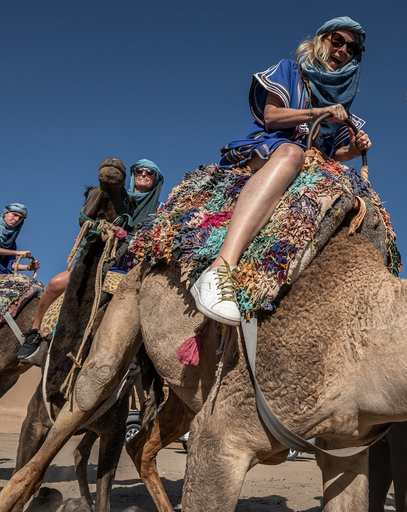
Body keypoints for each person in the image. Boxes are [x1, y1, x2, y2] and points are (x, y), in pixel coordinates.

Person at [191, 16, 372, 326]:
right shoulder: (290, 71)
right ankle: (220, 269)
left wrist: (354, 149)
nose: (343, 51)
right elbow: (272, 116)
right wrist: (317, 112)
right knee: (292, 152)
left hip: (306, 163)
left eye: (352, 48)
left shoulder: (342, 105)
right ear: (322, 40)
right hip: (271, 149)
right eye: (337, 41)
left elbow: (332, 154)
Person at [18, 159, 164, 361]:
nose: (144, 175)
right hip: (96, 258)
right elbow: (88, 218)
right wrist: (102, 228)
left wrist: (134, 241)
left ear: (156, 180)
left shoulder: (161, 210)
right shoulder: (116, 197)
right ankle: (34, 332)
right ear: (133, 174)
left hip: (131, 268)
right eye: (140, 170)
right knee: (54, 284)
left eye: (150, 173)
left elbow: (161, 239)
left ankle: (135, 355)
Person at [0, 203, 41, 275]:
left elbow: (9, 264)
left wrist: (28, 267)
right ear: (5, 213)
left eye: (20, 218)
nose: (16, 219)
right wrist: (17, 252)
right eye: (14, 215)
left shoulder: (11, 241)